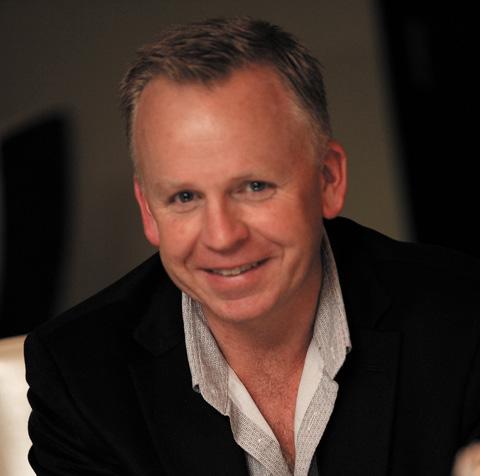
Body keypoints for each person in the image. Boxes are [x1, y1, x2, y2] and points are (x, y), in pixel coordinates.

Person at [25, 17, 480, 476]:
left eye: (255, 187)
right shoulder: (78, 377)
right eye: (185, 197)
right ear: (148, 209)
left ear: (328, 179)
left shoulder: (463, 314)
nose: (222, 237)